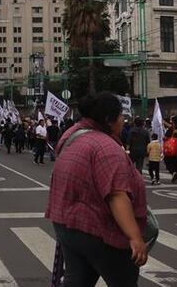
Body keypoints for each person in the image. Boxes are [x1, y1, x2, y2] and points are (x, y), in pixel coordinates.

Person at [46, 92, 148, 286]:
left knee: (77, 281)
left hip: (68, 225)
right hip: (99, 230)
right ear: (109, 120)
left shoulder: (72, 136)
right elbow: (116, 195)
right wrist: (135, 237)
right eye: (121, 115)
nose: (123, 120)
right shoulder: (106, 148)